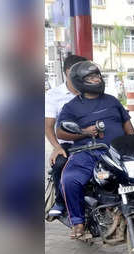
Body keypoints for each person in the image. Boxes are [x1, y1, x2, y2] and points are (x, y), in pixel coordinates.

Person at [57, 61, 134, 239]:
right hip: (86, 153)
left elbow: (128, 126)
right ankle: (77, 222)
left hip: (114, 153)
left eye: (98, 75)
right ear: (80, 81)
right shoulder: (71, 107)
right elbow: (60, 131)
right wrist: (84, 132)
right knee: (69, 180)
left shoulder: (112, 101)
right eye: (91, 77)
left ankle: (127, 212)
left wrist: (133, 144)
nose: (97, 79)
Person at [45, 55, 87, 217]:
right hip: (68, 143)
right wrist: (57, 147)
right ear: (69, 71)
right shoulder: (54, 95)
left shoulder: (91, 90)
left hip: (93, 141)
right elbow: (48, 127)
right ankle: (61, 201)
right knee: (60, 163)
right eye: (82, 70)